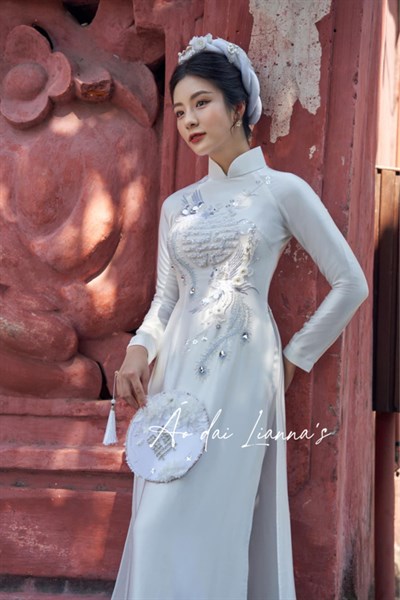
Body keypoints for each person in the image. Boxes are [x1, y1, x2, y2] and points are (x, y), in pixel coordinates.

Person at [111, 34, 369, 600]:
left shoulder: (282, 192)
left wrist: (292, 360)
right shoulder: (177, 206)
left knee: (215, 528)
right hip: (175, 377)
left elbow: (352, 283)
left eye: (201, 103)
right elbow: (165, 300)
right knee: (155, 523)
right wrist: (137, 350)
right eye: (180, 110)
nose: (188, 120)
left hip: (244, 376)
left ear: (238, 107)